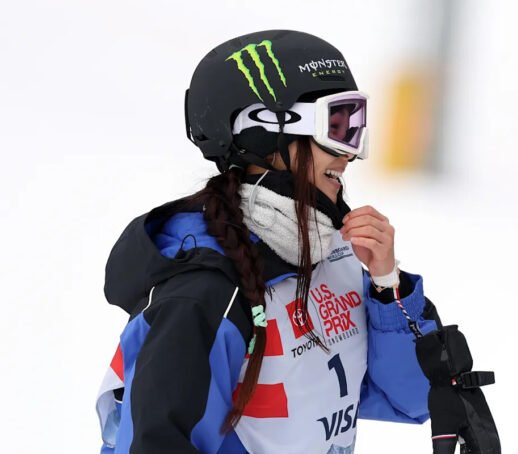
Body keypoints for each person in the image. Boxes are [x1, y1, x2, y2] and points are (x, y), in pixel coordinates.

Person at [96, 29, 442, 454]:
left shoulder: (333, 254)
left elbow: (409, 399)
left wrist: (387, 286)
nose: (349, 153)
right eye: (336, 125)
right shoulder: (203, 294)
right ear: (264, 131)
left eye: (355, 126)